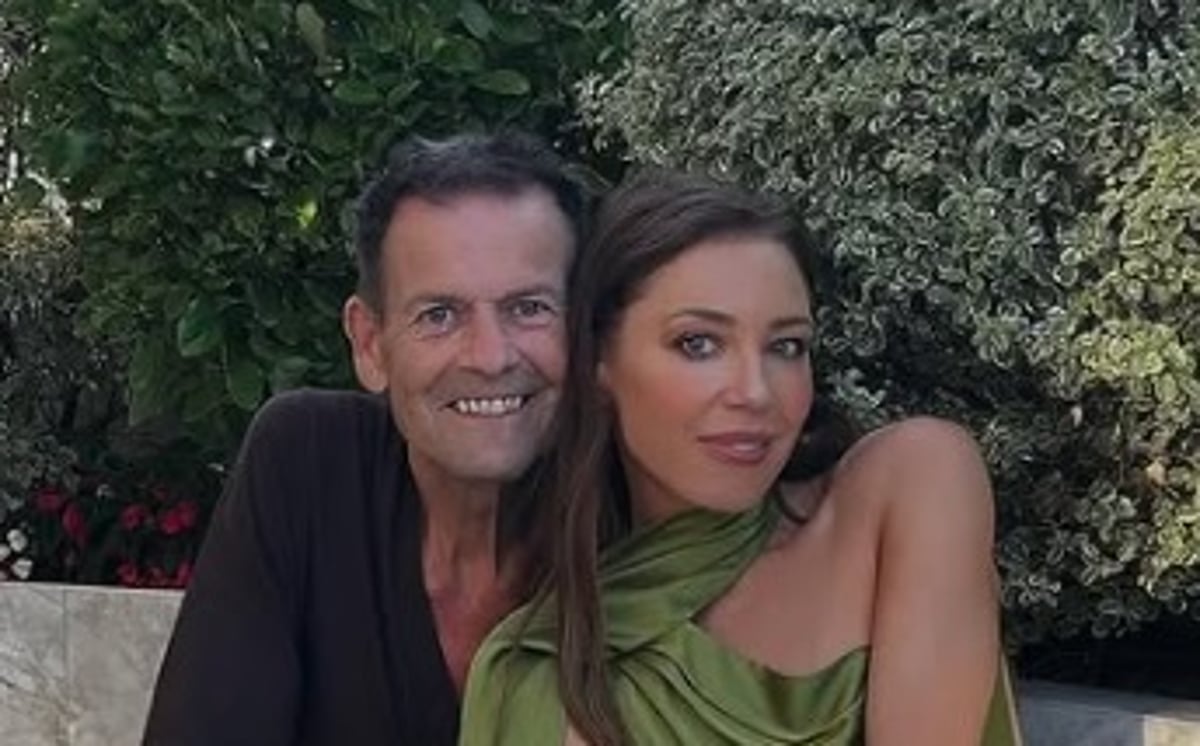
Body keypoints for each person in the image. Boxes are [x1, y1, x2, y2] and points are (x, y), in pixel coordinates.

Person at [460, 169, 1022, 744]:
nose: (755, 392)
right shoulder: (546, 675)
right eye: (698, 343)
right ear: (599, 363)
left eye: (786, 346)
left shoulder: (911, 482)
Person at [142, 132, 586, 745]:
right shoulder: (311, 468)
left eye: (530, 307)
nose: (491, 356)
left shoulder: (632, 517)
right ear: (371, 344)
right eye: (439, 315)